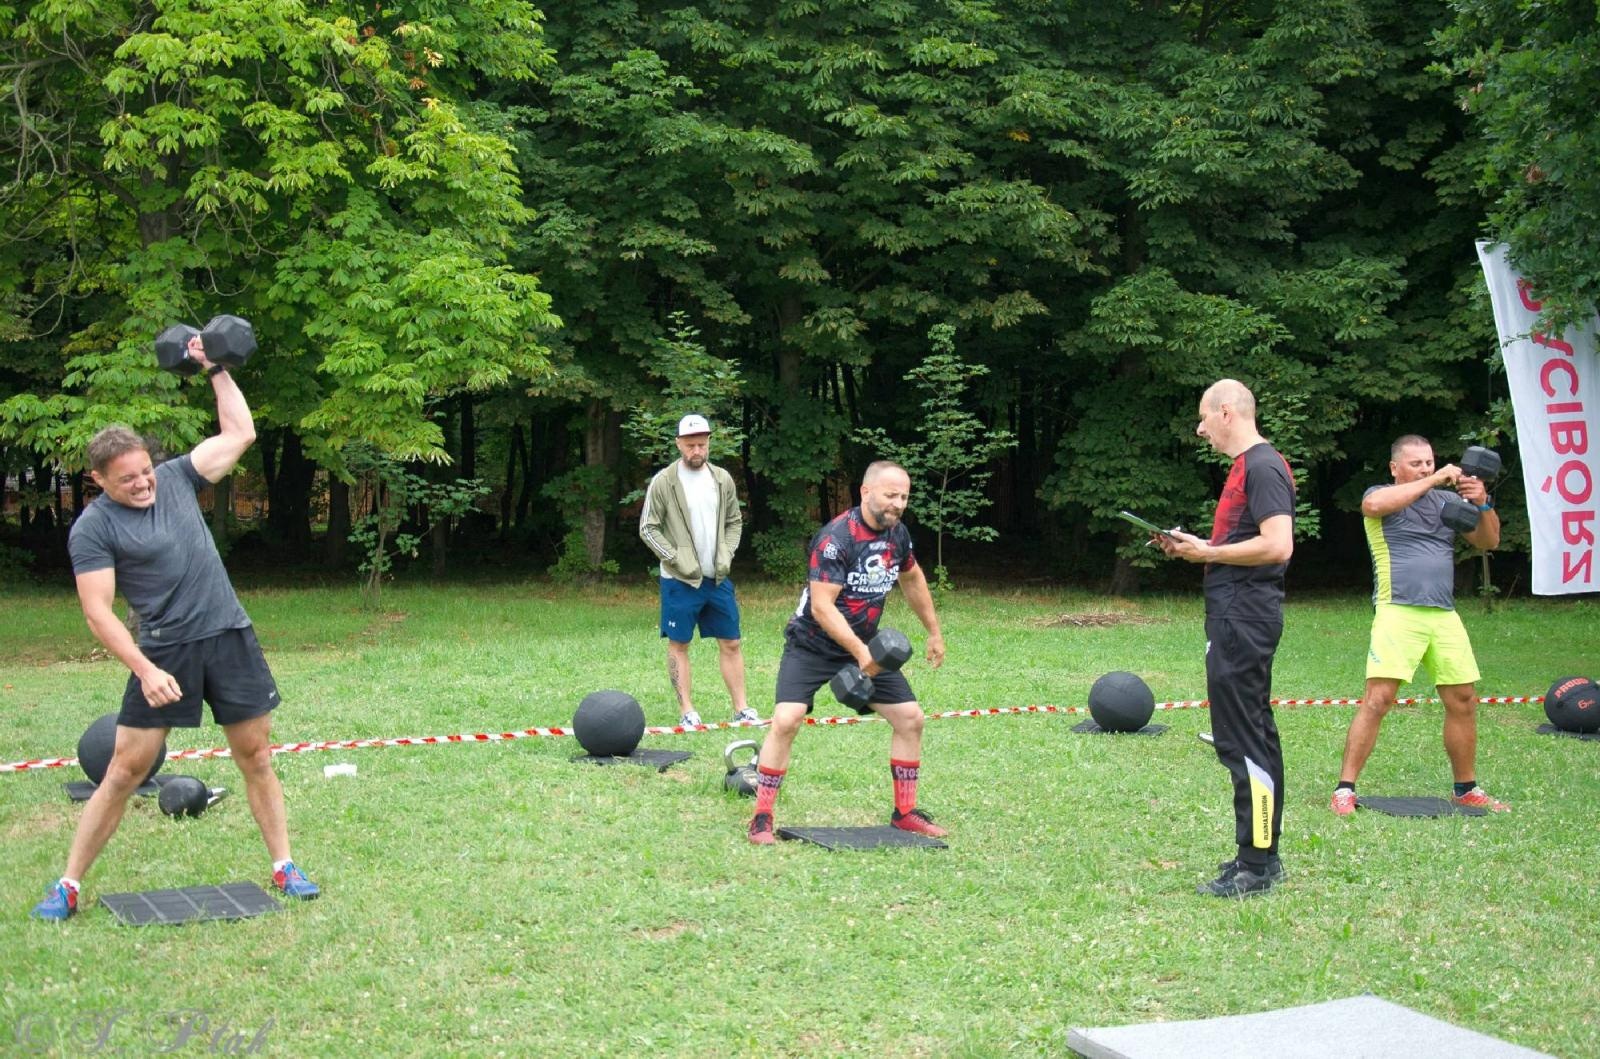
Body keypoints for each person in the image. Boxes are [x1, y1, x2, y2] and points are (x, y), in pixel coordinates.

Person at [31, 335, 317, 921]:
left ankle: (285, 866)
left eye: (143, 471)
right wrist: (145, 667)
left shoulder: (178, 477)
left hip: (228, 636)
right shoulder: (93, 529)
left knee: (256, 754)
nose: (142, 483)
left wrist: (212, 367)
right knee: (125, 770)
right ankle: (68, 885)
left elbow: (240, 433)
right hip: (164, 651)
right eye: (127, 479)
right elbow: (98, 611)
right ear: (99, 480)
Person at [747, 461, 948, 845]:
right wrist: (859, 652)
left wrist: (934, 632)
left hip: (863, 647)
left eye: (904, 496)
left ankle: (904, 813)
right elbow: (823, 608)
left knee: (910, 719)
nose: (898, 504)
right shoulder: (835, 538)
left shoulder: (898, 535)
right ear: (866, 492)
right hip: (812, 643)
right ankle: (761, 816)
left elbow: (912, 578)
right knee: (787, 719)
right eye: (891, 495)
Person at [1155, 379, 1295, 898]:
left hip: (1244, 620)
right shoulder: (1249, 467)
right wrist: (1198, 547)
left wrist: (1209, 555)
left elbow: (1278, 545)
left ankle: (1255, 868)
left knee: (1242, 740)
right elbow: (1245, 541)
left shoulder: (1261, 465)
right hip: (1237, 615)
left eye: (1203, 417)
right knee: (1254, 734)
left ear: (1226, 411)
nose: (1200, 429)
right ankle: (1260, 855)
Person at [1330, 435, 1504, 816]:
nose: (1426, 468)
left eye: (1429, 463)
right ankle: (1344, 788)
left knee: (1463, 701)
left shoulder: (1448, 502)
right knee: (1378, 699)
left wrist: (1481, 501)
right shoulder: (1382, 494)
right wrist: (1435, 478)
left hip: (1443, 613)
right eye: (1417, 464)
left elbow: (1487, 541)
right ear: (1396, 468)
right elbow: (1372, 505)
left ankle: (1466, 788)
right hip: (1398, 610)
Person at [639, 414, 758, 728]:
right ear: (679, 444)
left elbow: (734, 521)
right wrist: (675, 558)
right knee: (679, 644)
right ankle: (687, 710)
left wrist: (727, 553)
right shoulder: (663, 482)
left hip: (717, 577)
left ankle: (742, 708)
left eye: (702, 444)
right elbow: (648, 528)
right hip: (679, 579)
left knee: (731, 642)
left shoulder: (722, 479)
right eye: (690, 444)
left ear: (708, 444)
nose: (696, 450)